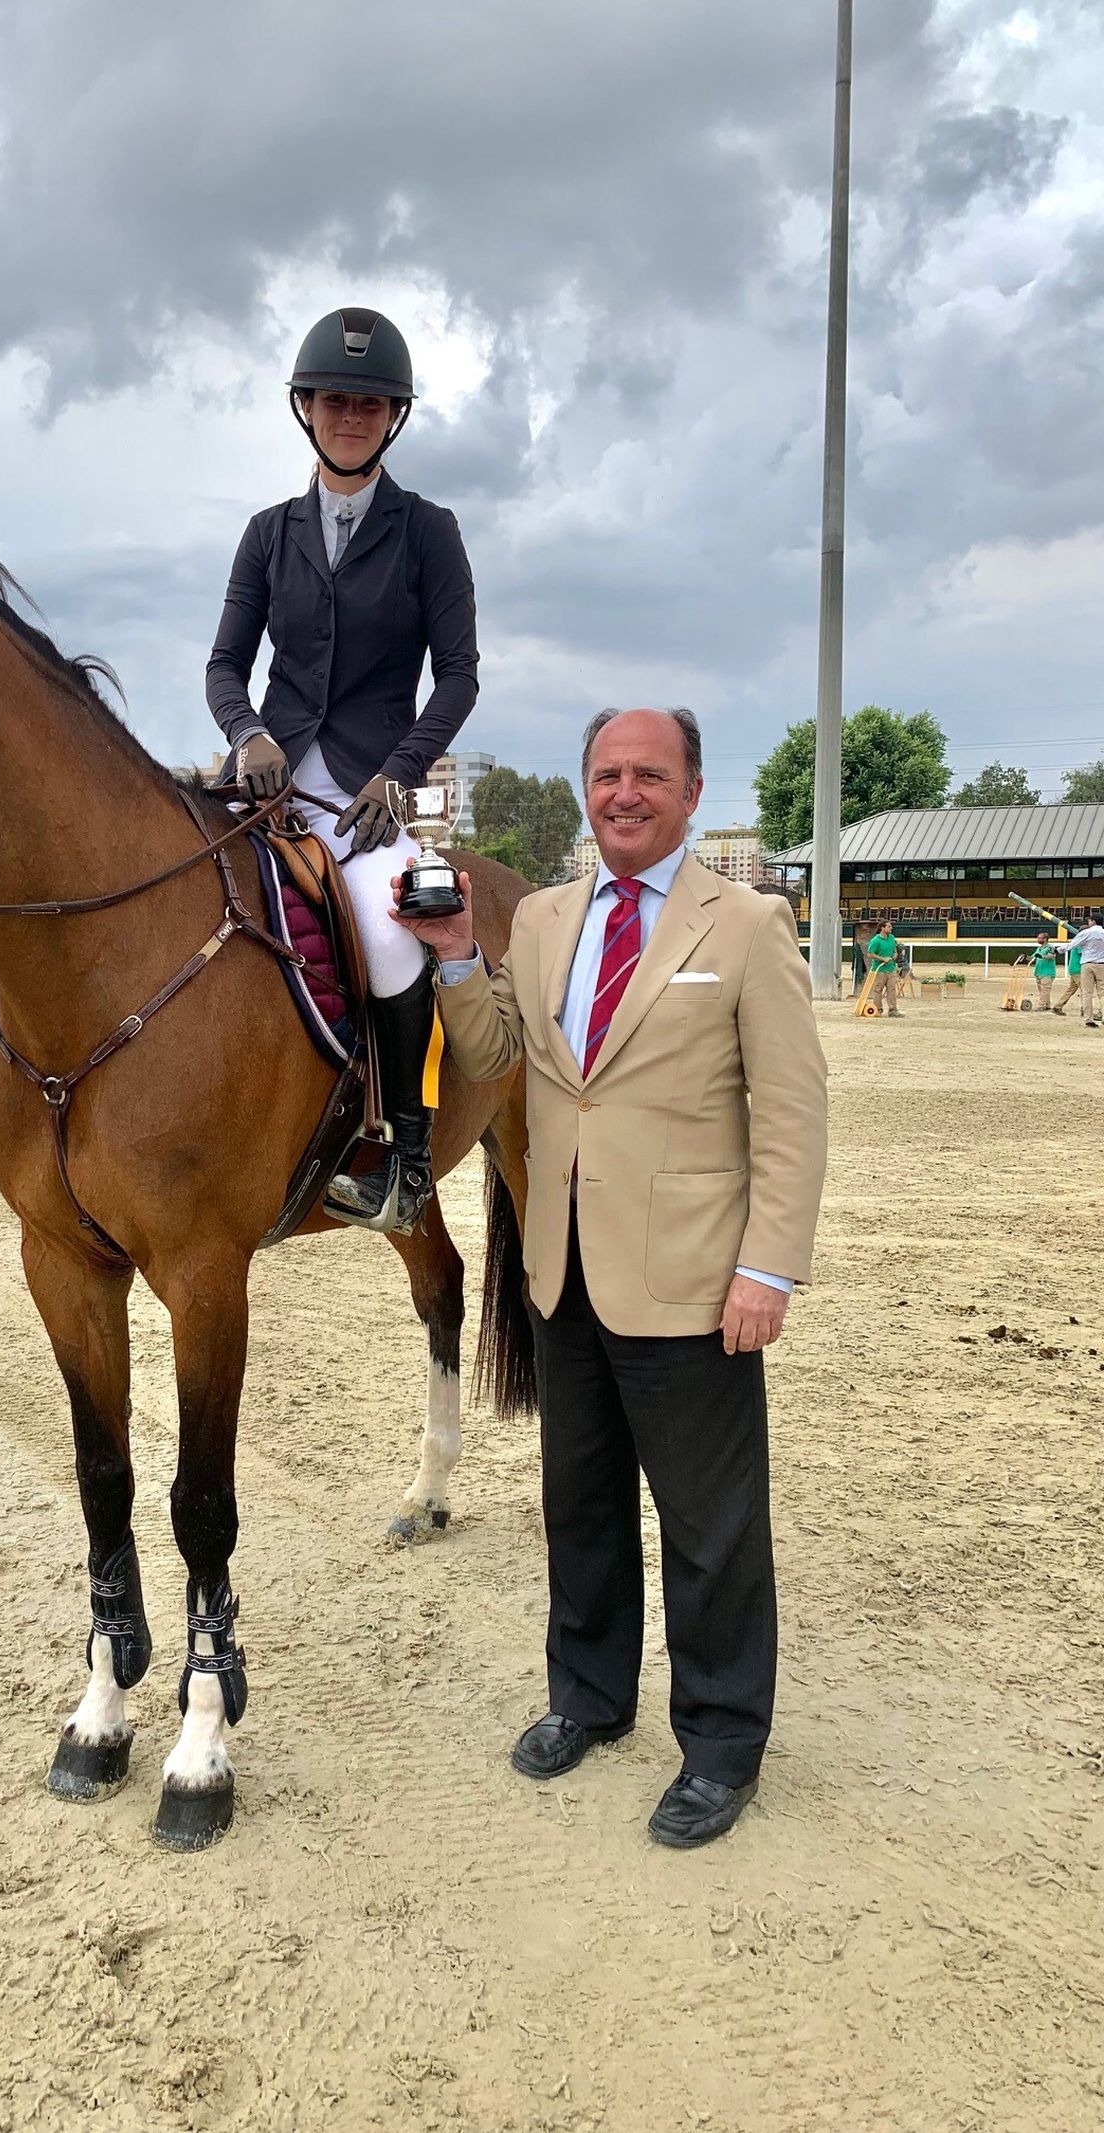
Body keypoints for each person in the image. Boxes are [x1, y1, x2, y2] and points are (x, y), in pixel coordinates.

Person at [395, 707, 827, 1848]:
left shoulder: (744, 924)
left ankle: (723, 1742)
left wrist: (768, 1268)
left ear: (690, 790)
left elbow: (791, 1112)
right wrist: (453, 964)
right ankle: (587, 1697)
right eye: (605, 774)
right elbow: (496, 1062)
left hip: (693, 1277)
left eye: (647, 774)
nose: (622, 792)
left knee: (709, 1527)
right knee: (580, 1508)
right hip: (562, 1270)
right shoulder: (540, 921)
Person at [206, 307, 479, 1232]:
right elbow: (223, 665)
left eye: (368, 403)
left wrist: (399, 774)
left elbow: (460, 675)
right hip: (269, 782)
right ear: (307, 410)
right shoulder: (268, 533)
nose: (349, 415)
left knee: (396, 930)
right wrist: (247, 733)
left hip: (366, 794)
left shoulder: (427, 531)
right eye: (334, 400)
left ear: (392, 416)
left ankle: (406, 1165)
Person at [1071, 911, 1104, 1027]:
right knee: (1103, 993)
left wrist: (1058, 950)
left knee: (1087, 993)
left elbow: (1072, 944)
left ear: (1093, 921)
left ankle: (1088, 1019)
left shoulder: (1086, 933)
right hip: (1102, 964)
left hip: (1087, 964)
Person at [866, 921, 902, 1016]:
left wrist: (895, 954)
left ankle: (893, 1010)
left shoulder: (891, 938)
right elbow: (870, 954)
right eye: (889, 926)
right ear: (882, 928)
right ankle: (877, 1010)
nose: (891, 928)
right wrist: (883, 959)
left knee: (892, 990)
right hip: (879, 969)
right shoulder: (875, 940)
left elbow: (894, 950)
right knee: (878, 990)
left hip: (891, 968)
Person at [1051, 931, 1084, 1017]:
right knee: (1085, 990)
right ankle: (1085, 1009)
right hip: (1079, 969)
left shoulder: (1075, 941)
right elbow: (1083, 955)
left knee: (1071, 989)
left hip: (1073, 968)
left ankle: (1058, 1006)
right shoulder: (1081, 943)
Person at [1032, 933, 1057, 1011]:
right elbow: (1033, 957)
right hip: (1039, 972)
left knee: (1044, 990)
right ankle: (1047, 1004)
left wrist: (1042, 956)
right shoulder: (1039, 948)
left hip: (1047, 972)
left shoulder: (1050, 947)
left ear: (1045, 939)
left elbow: (1052, 956)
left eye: (1039, 938)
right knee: (1042, 990)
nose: (1038, 939)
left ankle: (1041, 1005)